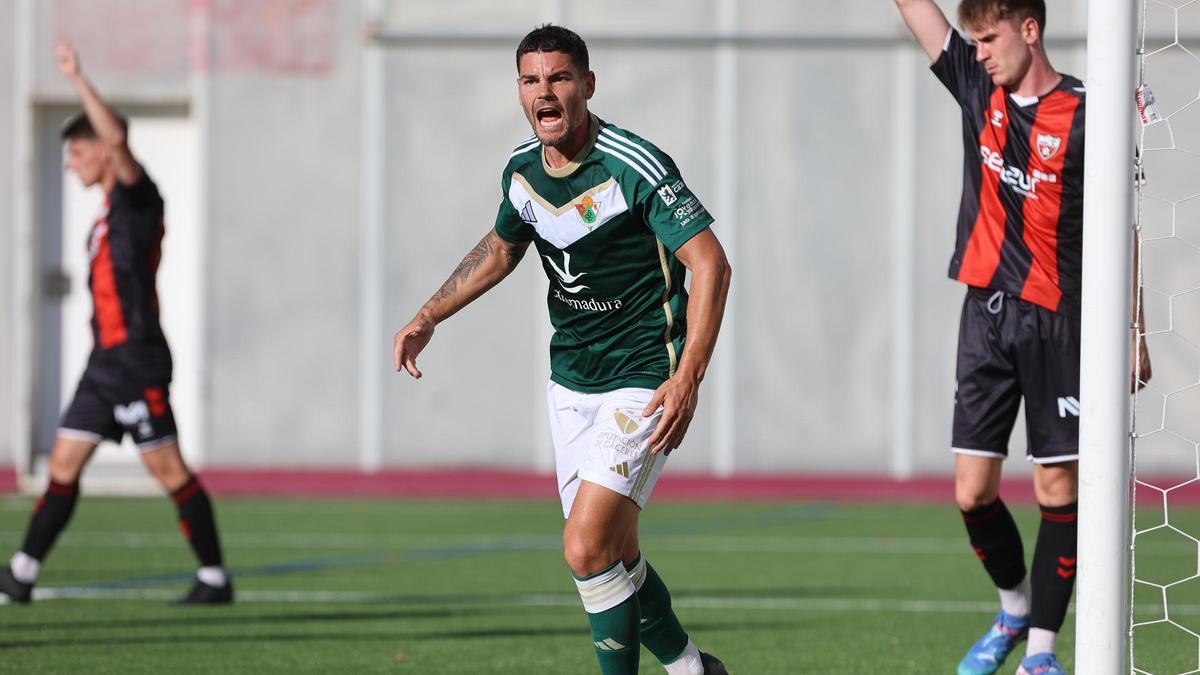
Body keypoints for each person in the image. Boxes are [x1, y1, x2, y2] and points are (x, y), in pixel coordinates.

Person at [393, 24, 731, 675]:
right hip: (572, 381)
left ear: (587, 84)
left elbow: (712, 265)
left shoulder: (634, 166)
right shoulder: (522, 171)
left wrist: (688, 377)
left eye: (559, 78)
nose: (544, 92)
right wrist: (429, 313)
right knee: (615, 548)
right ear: (519, 91)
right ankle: (692, 667)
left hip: (644, 376)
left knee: (583, 546)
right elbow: (500, 249)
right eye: (530, 80)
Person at [894, 1, 1153, 673]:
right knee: (973, 491)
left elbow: (1121, 228)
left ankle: (1041, 651)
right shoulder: (979, 87)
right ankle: (1013, 606)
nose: (976, 52)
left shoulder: (1091, 114)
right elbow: (916, 12)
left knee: (1056, 490)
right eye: (972, 40)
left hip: (1062, 321)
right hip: (985, 313)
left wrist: (1134, 328)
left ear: (1029, 30)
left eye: (988, 38)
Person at [0, 42, 232, 606]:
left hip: (136, 361)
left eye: (78, 150)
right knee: (62, 463)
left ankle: (214, 579)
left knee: (170, 471)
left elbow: (120, 140)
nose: (70, 162)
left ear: (104, 150)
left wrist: (78, 77)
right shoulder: (105, 216)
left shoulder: (138, 199)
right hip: (103, 363)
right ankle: (21, 574)